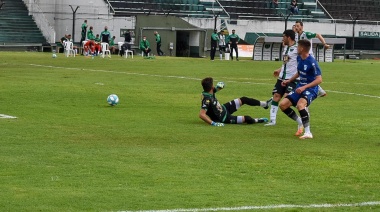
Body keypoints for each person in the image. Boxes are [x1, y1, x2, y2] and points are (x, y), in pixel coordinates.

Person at [279, 39, 323, 139]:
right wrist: (289, 80)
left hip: (311, 89)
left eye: (298, 46)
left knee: (300, 105)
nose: (297, 48)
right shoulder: (299, 58)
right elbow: (299, 72)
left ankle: (308, 133)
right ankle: (300, 122)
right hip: (300, 86)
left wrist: (304, 87)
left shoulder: (312, 62)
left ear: (302, 48)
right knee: (283, 105)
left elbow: (319, 80)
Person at [199, 77, 269, 126]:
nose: (214, 86)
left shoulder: (209, 91)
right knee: (247, 118)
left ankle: (264, 104)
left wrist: (221, 86)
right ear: (211, 87)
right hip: (224, 118)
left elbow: (217, 89)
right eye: (213, 84)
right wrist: (213, 123)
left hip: (224, 108)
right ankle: (258, 120)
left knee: (243, 99)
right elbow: (202, 115)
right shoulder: (206, 99)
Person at [265, 29, 299, 126]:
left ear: (288, 37)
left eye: (283, 36)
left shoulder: (297, 49)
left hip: (292, 78)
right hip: (281, 78)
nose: (282, 38)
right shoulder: (286, 48)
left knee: (287, 99)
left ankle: (303, 111)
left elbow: (302, 62)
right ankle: (272, 120)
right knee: (276, 97)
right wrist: (279, 70)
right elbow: (286, 62)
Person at [295, 21, 328, 97]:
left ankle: (319, 90)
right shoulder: (296, 36)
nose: (296, 27)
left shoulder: (306, 34)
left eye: (297, 26)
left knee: (308, 75)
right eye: (295, 26)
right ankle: (320, 91)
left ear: (302, 27)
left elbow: (318, 35)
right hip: (301, 57)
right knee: (304, 74)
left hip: (308, 58)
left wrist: (324, 44)